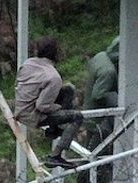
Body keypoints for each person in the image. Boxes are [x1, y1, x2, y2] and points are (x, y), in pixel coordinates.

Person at [14, 37, 85, 169]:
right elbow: (42, 106)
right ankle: (55, 156)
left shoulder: (27, 64)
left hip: (20, 108)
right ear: (56, 54)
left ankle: (54, 130)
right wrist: (58, 108)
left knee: (68, 90)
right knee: (77, 116)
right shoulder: (53, 76)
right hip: (33, 115)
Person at [82, 36, 122, 143]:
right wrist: (118, 99)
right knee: (98, 153)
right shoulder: (108, 71)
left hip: (90, 112)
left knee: (90, 150)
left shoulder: (101, 56)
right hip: (100, 120)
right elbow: (98, 94)